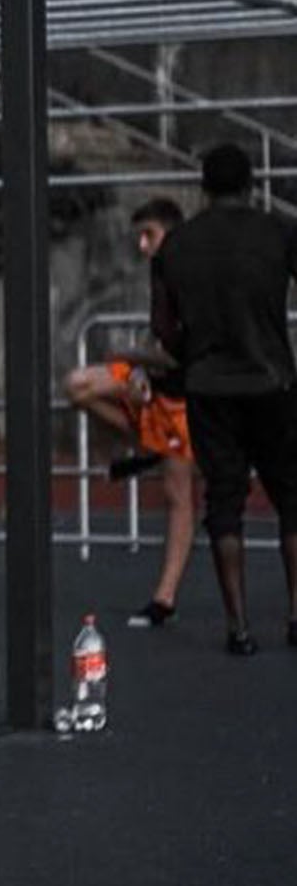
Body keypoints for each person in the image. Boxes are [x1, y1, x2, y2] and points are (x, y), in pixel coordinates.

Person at [152, 142, 297, 656]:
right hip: (272, 379)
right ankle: (296, 615)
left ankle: (238, 626)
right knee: (291, 499)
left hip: (209, 385)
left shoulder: (176, 246)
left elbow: (163, 328)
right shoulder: (278, 231)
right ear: (251, 184)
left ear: (203, 188)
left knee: (225, 503)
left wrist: (192, 352)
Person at [64, 198, 196, 628]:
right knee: (78, 384)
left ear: (171, 234)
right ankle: (144, 442)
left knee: (179, 495)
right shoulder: (161, 273)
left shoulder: (192, 274)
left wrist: (134, 357)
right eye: (139, 236)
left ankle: (165, 597)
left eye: (149, 236)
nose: (141, 245)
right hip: (152, 381)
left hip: (182, 393)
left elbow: (182, 353)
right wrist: (138, 366)